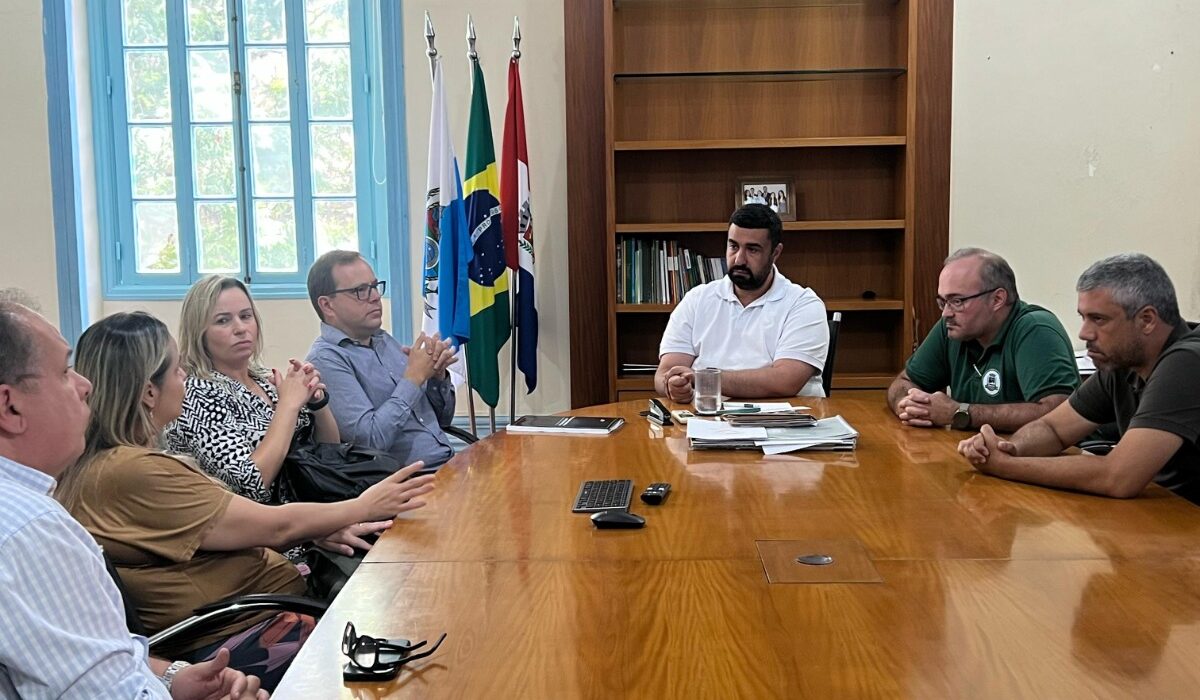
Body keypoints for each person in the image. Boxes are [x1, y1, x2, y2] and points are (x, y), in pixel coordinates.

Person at [57, 311, 435, 690]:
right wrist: (363, 506)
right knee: (408, 635)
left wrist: (317, 529)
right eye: (175, 370)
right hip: (241, 629)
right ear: (149, 393)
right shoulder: (132, 469)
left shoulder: (112, 463)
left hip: (259, 609)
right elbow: (274, 523)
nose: (184, 376)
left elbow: (232, 528)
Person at [0, 295, 267, 699]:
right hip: (231, 623)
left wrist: (172, 679)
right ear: (10, 407)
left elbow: (102, 655)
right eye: (65, 372)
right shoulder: (28, 530)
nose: (85, 385)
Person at [958, 253, 1200, 504]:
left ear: (1147, 320)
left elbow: (1118, 477)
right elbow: (1053, 429)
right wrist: (1006, 449)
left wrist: (1004, 466)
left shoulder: (1188, 362)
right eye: (1083, 318)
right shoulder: (1123, 363)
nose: (1084, 333)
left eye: (1099, 319)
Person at [166, 276, 338, 509]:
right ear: (199, 332)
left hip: (316, 506)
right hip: (264, 524)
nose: (240, 329)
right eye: (223, 320)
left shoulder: (264, 379)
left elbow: (329, 453)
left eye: (246, 316)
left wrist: (317, 403)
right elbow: (251, 484)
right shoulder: (196, 394)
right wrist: (288, 405)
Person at [887, 248, 1079, 432]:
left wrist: (960, 413)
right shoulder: (953, 327)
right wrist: (907, 405)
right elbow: (904, 381)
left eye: (957, 301)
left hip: (1047, 452)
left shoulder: (1035, 330)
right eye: (942, 302)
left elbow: (1058, 414)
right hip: (974, 448)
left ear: (997, 299)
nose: (946, 313)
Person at [655, 203, 829, 400]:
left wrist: (704, 379)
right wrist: (673, 385)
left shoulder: (803, 304)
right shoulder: (697, 299)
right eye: (733, 246)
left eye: (752, 249)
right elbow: (665, 371)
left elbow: (785, 381)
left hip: (783, 417)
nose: (739, 259)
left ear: (775, 253)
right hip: (708, 415)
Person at [305, 250, 458, 467]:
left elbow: (443, 420)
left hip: (449, 462)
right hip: (410, 479)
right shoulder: (326, 360)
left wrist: (436, 377)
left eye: (375, 286)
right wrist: (413, 379)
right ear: (327, 305)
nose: (376, 297)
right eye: (360, 290)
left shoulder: (384, 340)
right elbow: (370, 441)